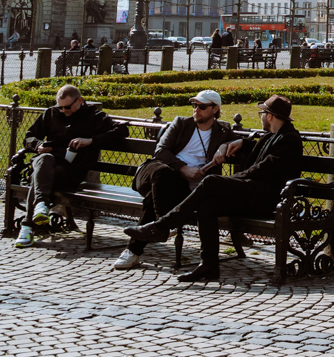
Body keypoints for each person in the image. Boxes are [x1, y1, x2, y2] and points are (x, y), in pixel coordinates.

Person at [125, 95, 303, 282]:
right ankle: (209, 266)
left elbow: (261, 170)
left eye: (262, 113)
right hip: (255, 193)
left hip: (270, 199)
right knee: (207, 205)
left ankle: (163, 225)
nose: (260, 116)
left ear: (270, 116)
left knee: (211, 182)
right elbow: (255, 147)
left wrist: (230, 180)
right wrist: (238, 143)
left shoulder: (289, 140)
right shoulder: (272, 135)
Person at [112, 90, 238, 269]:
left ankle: (135, 250)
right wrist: (184, 169)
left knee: (152, 199)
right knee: (164, 173)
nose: (196, 110)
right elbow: (161, 151)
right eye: (194, 105)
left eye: (202, 106)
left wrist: (225, 145)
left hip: (179, 187)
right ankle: (163, 224)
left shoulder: (223, 130)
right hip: (155, 171)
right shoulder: (181, 123)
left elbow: (241, 142)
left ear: (215, 109)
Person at [14, 85, 126, 249]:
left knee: (40, 177)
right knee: (44, 160)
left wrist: (91, 141)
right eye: (60, 107)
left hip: (71, 171)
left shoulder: (94, 116)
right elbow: (29, 136)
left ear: (79, 101)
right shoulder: (52, 113)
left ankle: (28, 225)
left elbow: (122, 130)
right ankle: (40, 207)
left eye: (67, 107)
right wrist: (38, 145)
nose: (63, 110)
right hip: (47, 162)